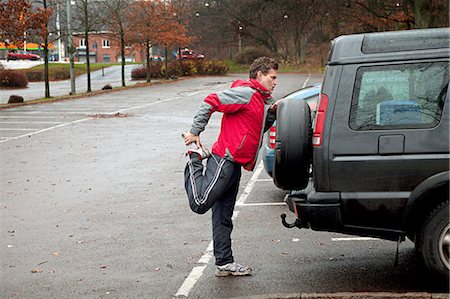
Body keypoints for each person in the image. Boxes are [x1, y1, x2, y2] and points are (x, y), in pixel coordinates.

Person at [182, 56, 280, 277]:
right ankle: (193, 157)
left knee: (223, 217)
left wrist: (272, 113)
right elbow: (211, 100)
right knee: (199, 203)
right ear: (260, 75)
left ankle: (224, 263)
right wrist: (194, 133)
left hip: (235, 165)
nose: (275, 82)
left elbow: (255, 129)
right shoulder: (245, 93)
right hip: (223, 159)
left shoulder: (260, 100)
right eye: (272, 77)